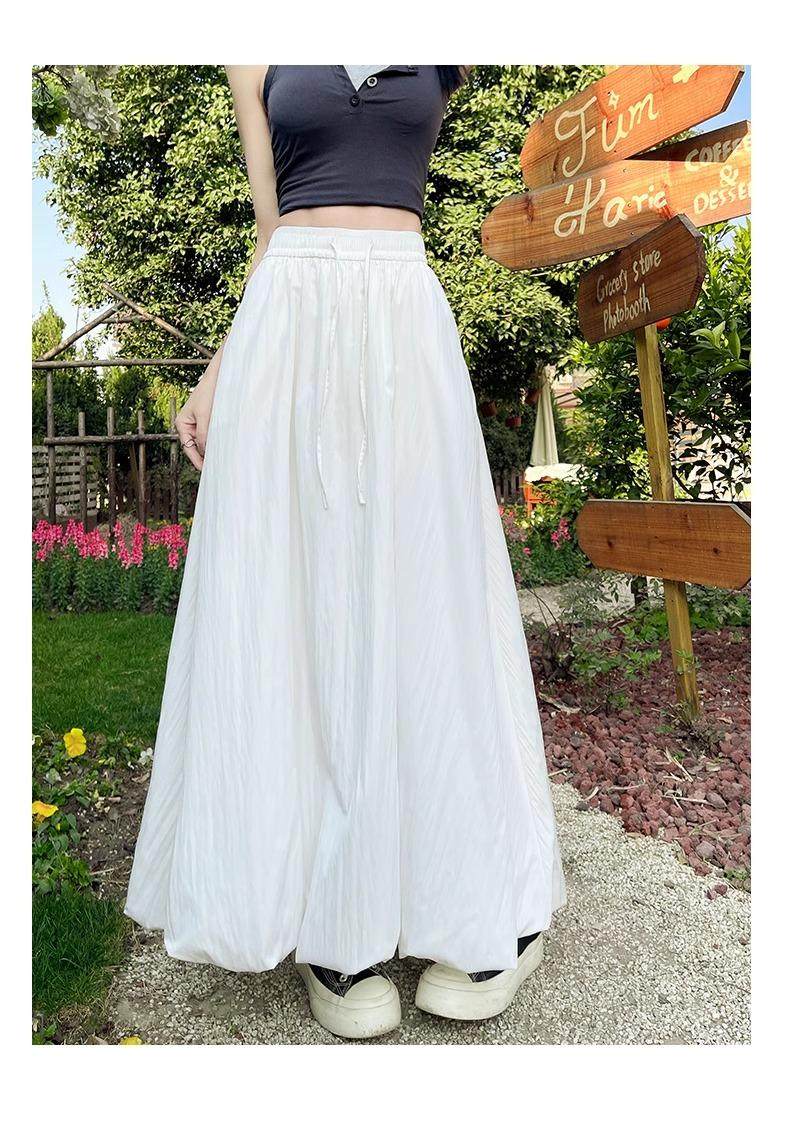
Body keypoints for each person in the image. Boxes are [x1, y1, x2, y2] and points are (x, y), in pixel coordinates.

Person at [125, 64, 565, 1041]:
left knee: (434, 600)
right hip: (289, 321)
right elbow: (268, 228)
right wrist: (215, 374)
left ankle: (478, 890)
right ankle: (336, 926)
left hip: (404, 317)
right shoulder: (256, 52)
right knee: (298, 602)